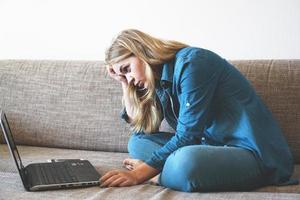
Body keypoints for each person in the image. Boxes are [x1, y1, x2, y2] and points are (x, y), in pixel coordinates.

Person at [99, 29, 296, 192]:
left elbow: (188, 137)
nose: (130, 78)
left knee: (185, 162)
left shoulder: (193, 63)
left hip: (253, 154)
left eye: (127, 69)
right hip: (210, 147)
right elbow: (141, 128)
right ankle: (169, 173)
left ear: (140, 51)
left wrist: (139, 174)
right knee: (138, 142)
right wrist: (124, 84)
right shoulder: (157, 80)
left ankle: (161, 176)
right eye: (122, 75)